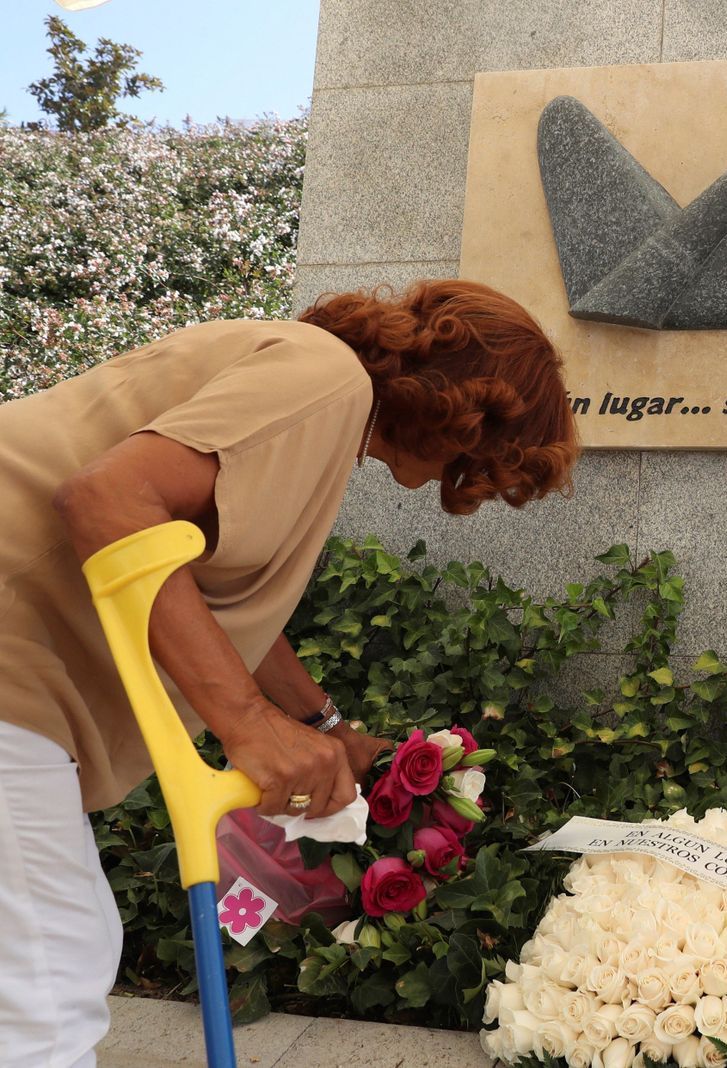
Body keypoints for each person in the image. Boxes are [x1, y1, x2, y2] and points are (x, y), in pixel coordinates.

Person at [0, 279, 580, 1066]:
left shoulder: (312, 384)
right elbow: (108, 499)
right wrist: (248, 726)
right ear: (464, 412)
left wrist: (323, 726)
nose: (470, 479)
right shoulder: (324, 379)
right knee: (44, 988)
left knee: (56, 953)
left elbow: (200, 589)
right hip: (11, 665)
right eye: (484, 453)